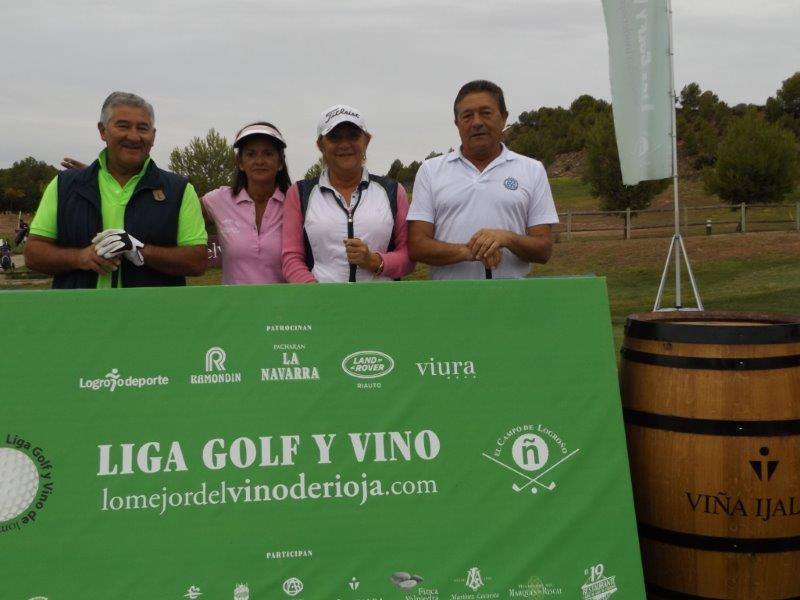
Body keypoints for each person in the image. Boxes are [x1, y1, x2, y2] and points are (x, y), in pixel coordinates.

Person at [25, 92, 207, 288]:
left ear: (153, 136)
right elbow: (34, 253)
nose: (134, 136)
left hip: (153, 316)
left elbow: (197, 262)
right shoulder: (64, 185)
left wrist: (140, 250)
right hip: (78, 315)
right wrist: (80, 257)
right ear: (102, 131)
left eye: (143, 128)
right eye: (123, 126)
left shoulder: (179, 190)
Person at [407, 80, 559, 279]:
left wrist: (506, 238)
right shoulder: (430, 170)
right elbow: (417, 246)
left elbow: (543, 249)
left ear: (503, 118)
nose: (477, 122)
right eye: (467, 116)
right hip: (448, 301)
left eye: (486, 113)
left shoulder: (532, 170)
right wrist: (470, 251)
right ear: (457, 124)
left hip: (512, 300)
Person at [282, 104, 414, 283]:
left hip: (382, 305)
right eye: (334, 138)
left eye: (353, 136)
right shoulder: (299, 193)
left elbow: (409, 256)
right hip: (321, 305)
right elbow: (291, 258)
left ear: (366, 141)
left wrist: (374, 261)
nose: (344, 145)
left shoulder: (393, 191)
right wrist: (315, 294)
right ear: (321, 145)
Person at [201, 122, 290, 284]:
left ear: (280, 162)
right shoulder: (218, 200)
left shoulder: (294, 202)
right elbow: (180, 219)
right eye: (251, 154)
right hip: (233, 307)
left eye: (268, 153)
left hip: (283, 306)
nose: (260, 161)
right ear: (240, 162)